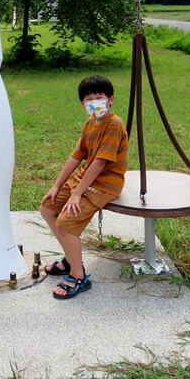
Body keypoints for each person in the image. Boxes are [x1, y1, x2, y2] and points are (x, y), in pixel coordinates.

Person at [39, 75, 128, 299]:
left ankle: (78, 277)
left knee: (67, 223)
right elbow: (77, 155)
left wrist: (77, 194)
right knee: (48, 206)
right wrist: (57, 185)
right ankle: (71, 260)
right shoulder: (90, 123)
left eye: (100, 98)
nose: (95, 103)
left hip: (104, 184)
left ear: (111, 100)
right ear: (83, 104)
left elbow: (100, 162)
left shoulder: (114, 125)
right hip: (83, 180)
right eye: (90, 99)